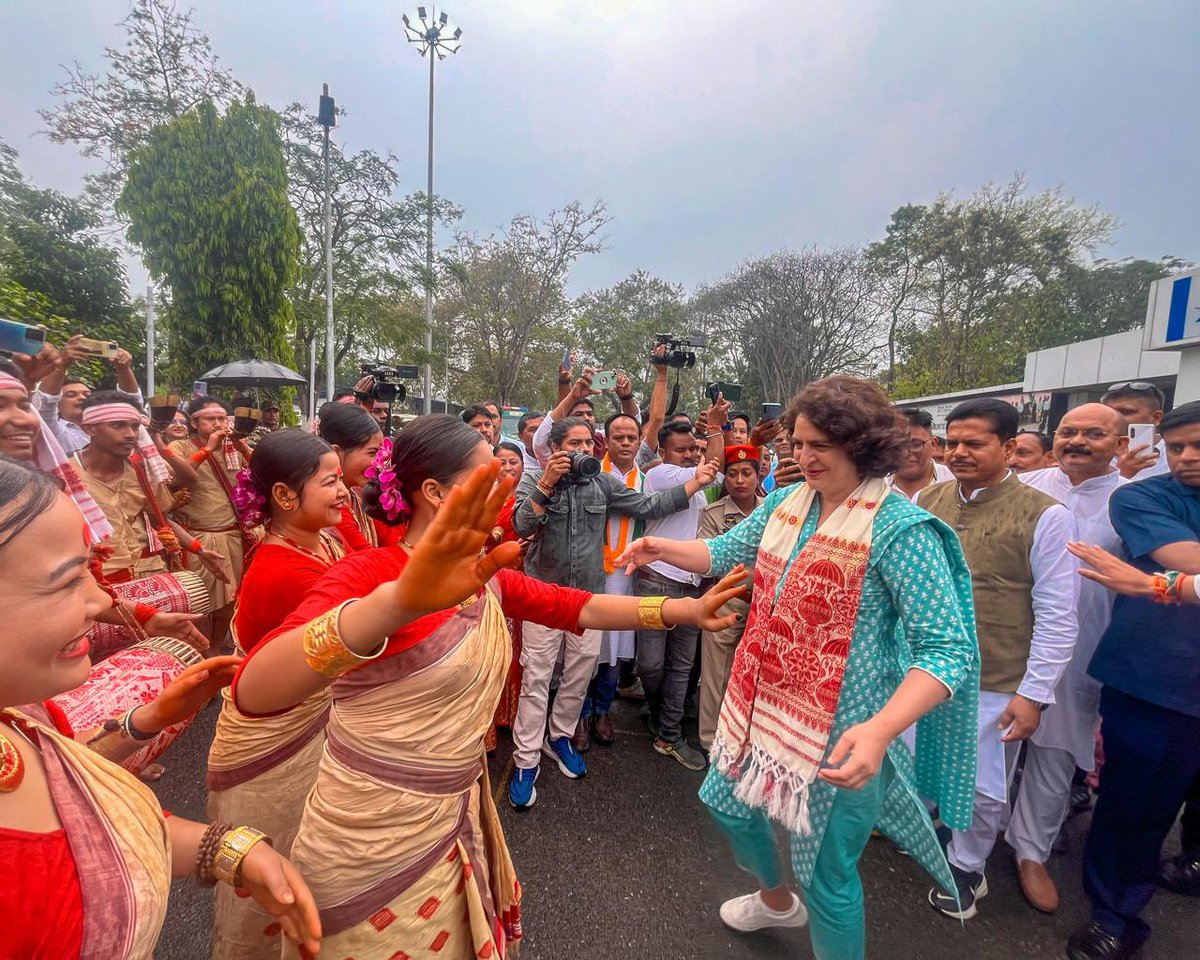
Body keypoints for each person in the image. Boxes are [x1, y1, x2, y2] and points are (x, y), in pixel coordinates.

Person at [231, 415, 746, 959]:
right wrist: (397, 602)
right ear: (434, 492)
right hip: (366, 839)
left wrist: (680, 609)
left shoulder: (483, 573)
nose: (506, 486)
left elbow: (578, 605)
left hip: (451, 820)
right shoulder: (369, 576)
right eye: (487, 477)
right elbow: (254, 691)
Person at [616, 376, 979, 960]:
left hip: (844, 729)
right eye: (797, 443)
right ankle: (776, 899)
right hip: (757, 706)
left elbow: (947, 650)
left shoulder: (901, 530)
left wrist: (880, 730)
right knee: (723, 803)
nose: (803, 457)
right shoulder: (790, 502)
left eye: (819, 445)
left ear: (861, 445)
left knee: (828, 880)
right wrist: (661, 549)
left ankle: (804, 902)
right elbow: (723, 552)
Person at [0, 457, 322, 959]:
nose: (98, 599)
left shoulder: (24, 717)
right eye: (66, 580)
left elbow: (84, 815)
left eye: (90, 570)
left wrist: (230, 851)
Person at [919, 398, 1079, 919]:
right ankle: (928, 835)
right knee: (923, 762)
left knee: (984, 786)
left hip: (997, 676)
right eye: (954, 442)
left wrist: (1033, 694)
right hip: (925, 668)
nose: (959, 452)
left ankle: (969, 867)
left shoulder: (1046, 515)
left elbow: (1058, 614)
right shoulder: (928, 498)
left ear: (1009, 448)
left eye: (975, 443)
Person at [509, 415, 717, 805]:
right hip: (540, 597)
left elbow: (649, 504)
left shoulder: (603, 483)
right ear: (555, 449)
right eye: (574, 444)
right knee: (536, 679)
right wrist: (546, 483)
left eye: (588, 444)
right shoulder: (534, 479)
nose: (584, 451)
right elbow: (521, 526)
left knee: (578, 675)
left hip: (589, 600)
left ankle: (560, 737)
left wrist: (695, 482)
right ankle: (525, 760)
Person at [1062, 401, 1200, 960]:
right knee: (1133, 806)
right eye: (1177, 448)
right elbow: (1185, 560)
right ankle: (1115, 912)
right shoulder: (1144, 497)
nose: (1188, 458)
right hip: (1156, 679)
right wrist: (1177, 583)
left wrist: (1172, 586)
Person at [208, 429, 348, 960]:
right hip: (276, 750)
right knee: (272, 893)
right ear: (286, 498)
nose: (344, 492)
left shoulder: (320, 541)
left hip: (308, 727)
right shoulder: (283, 569)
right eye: (331, 481)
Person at [1003, 404, 1129, 914]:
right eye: (1068, 432)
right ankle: (972, 836)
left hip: (1088, 649)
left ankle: (1030, 851)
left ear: (1120, 444)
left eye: (1094, 434)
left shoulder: (1133, 501)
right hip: (1013, 641)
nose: (1077, 442)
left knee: (1056, 755)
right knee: (998, 742)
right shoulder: (1026, 488)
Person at [636, 403, 727, 770]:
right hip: (656, 582)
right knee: (651, 664)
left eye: (694, 449)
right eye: (682, 450)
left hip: (692, 587)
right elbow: (710, 470)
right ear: (663, 453)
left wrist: (715, 434)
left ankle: (669, 734)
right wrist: (717, 431)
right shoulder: (661, 476)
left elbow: (713, 469)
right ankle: (657, 711)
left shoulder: (700, 486)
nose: (691, 454)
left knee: (681, 665)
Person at [577, 411, 645, 751]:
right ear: (606, 439)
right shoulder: (588, 476)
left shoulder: (647, 481)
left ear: (639, 441)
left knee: (615, 647)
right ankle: (580, 713)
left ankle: (603, 710)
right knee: (585, 646)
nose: (626, 442)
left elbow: (661, 506)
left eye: (632, 437)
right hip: (591, 572)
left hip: (625, 576)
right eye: (618, 436)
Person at [169, 397, 258, 642]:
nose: (217, 424)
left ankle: (216, 646)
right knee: (199, 599)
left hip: (233, 534)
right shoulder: (181, 447)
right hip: (199, 536)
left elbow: (261, 473)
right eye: (210, 419)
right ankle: (198, 646)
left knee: (231, 598)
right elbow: (173, 480)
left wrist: (243, 448)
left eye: (221, 418)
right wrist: (207, 449)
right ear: (195, 423)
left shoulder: (235, 447)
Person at [696, 443, 762, 752]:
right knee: (717, 676)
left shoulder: (774, 511)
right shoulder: (714, 513)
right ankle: (711, 741)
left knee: (755, 678)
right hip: (727, 602)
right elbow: (710, 557)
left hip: (765, 606)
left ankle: (745, 739)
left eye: (746, 473)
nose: (739, 480)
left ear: (757, 475)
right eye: (732, 473)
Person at [32, 336, 145, 456]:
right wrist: (62, 364)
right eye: (71, 395)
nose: (81, 397)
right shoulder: (53, 430)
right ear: (57, 405)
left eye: (87, 394)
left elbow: (132, 404)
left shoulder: (114, 426)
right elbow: (45, 402)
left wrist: (124, 369)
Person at [318, 402, 400, 551]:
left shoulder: (358, 495)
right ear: (336, 452)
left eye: (380, 453)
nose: (379, 463)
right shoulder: (331, 504)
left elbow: (392, 540)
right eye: (372, 453)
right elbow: (365, 555)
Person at [1102, 381, 1169, 480]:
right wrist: (1122, 474)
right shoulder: (1092, 453)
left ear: (1156, 418)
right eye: (1109, 412)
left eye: (1126, 412)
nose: (1114, 418)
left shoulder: (1177, 453)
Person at [887, 408, 954, 502]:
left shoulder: (954, 480)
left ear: (933, 444)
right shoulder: (875, 487)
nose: (905, 453)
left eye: (915, 444)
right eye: (897, 445)